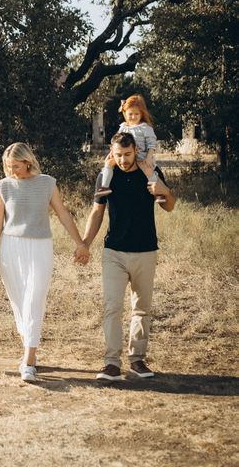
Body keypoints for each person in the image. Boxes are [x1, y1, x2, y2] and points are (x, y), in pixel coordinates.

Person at [0, 142, 89, 383]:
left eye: (16, 166)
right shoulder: (3, 187)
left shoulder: (47, 183)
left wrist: (80, 242)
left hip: (40, 247)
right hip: (12, 248)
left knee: (35, 299)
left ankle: (29, 360)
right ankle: (29, 350)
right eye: (8, 167)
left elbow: (63, 213)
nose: (12, 171)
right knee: (20, 303)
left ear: (28, 162)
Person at [83, 132, 175, 380]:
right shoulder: (106, 176)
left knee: (141, 309)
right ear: (111, 153)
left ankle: (137, 360)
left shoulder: (149, 172)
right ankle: (111, 363)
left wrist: (162, 188)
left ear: (135, 150)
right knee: (112, 307)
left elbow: (169, 205)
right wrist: (85, 244)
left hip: (145, 251)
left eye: (127, 154)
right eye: (118, 155)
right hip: (114, 251)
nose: (123, 160)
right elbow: (97, 213)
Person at [95, 94, 165, 203]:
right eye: (130, 114)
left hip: (142, 157)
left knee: (149, 172)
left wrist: (149, 158)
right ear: (125, 114)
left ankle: (159, 194)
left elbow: (152, 145)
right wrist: (112, 152)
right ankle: (104, 187)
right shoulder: (123, 127)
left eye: (136, 114)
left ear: (141, 113)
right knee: (108, 165)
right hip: (125, 155)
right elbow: (117, 141)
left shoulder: (145, 128)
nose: (133, 117)